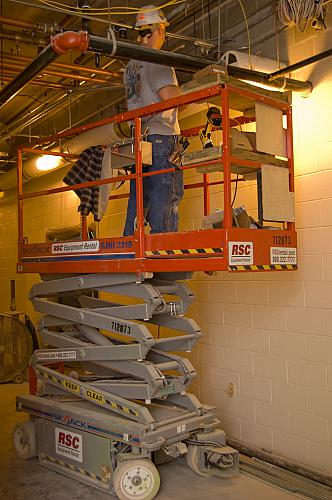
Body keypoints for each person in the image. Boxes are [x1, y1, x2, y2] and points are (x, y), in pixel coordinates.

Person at [123, 4, 184, 236]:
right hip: (162, 137)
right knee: (165, 196)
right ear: (159, 30)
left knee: (140, 199)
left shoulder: (130, 67)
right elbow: (169, 98)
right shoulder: (158, 59)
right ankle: (163, 253)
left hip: (140, 140)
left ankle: (130, 245)